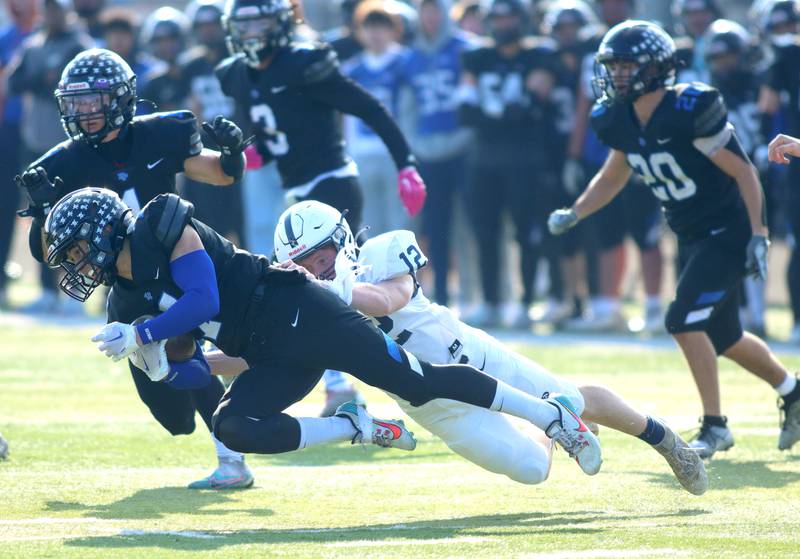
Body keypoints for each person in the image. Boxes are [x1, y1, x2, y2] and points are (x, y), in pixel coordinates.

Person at [46, 187, 603, 477]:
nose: (75, 261)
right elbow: (195, 361)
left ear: (101, 231)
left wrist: (144, 335)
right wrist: (162, 368)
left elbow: (204, 299)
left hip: (296, 310)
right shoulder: (126, 298)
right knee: (234, 425)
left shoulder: (159, 225)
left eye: (74, 248)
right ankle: (353, 426)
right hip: (264, 351)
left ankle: (547, 414)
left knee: (420, 382)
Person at [264, 200, 707, 493]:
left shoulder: (381, 255)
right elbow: (274, 353)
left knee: (567, 393)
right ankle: (550, 420)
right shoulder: (310, 301)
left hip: (469, 356)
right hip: (435, 404)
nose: (315, 272)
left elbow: (387, 300)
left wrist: (338, 288)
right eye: (303, 265)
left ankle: (658, 435)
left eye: (320, 259)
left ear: (340, 242)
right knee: (532, 471)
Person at [548, 20, 800, 458]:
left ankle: (716, 426)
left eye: (626, 66)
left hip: (727, 230)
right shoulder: (619, 118)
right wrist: (576, 211)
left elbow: (744, 170)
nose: (617, 75)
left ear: (655, 69)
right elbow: (613, 176)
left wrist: (759, 234)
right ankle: (794, 393)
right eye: (614, 66)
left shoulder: (688, 108)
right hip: (691, 232)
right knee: (724, 335)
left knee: (682, 319)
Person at [17, 48, 252, 489]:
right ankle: (249, 367)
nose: (85, 111)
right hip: (126, 283)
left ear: (121, 98)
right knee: (172, 415)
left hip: (178, 263)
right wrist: (45, 204)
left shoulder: (158, 134)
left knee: (191, 348)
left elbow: (220, 174)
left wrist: (233, 154)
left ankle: (234, 457)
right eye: (77, 102)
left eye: (94, 100)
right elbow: (42, 250)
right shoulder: (63, 162)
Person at [218, 0, 427, 234]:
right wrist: (249, 152)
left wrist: (405, 164)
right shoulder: (236, 74)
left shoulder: (303, 63)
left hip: (330, 181)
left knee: (337, 264)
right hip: (294, 190)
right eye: (244, 26)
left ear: (281, 23)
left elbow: (370, 109)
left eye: (261, 24)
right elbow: (276, 137)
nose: (252, 34)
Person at [456, 0, 562, 329]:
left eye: (509, 17)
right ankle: (490, 301)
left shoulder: (540, 54)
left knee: (527, 232)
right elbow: (465, 110)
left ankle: (526, 301)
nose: (503, 24)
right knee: (485, 232)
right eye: (497, 17)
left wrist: (496, 115)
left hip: (527, 159)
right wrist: (506, 114)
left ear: (522, 19)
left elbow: (533, 103)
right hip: (486, 159)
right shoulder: (477, 56)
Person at [7, 0, 93, 314]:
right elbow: (14, 83)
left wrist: (47, 82)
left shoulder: (78, 46)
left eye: (57, 9)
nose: (52, 15)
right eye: (49, 9)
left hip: (69, 146)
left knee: (76, 219)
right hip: (36, 143)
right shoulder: (33, 46)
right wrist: (42, 80)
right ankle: (46, 288)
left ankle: (74, 290)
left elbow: (76, 88)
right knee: (43, 218)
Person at [404, 0, 475, 307]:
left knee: (472, 225)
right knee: (435, 229)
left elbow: (475, 100)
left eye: (436, 9)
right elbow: (406, 108)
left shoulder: (468, 49)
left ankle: (479, 296)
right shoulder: (409, 57)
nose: (431, 16)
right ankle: (443, 295)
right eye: (426, 9)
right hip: (428, 153)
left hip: (465, 149)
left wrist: (463, 137)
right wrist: (418, 146)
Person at [342, 1, 411, 236]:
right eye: (370, 27)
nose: (375, 34)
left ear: (394, 30)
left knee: (400, 223)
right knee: (370, 226)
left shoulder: (405, 62)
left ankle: (405, 274)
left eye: (382, 27)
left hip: (395, 155)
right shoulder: (352, 68)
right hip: (363, 153)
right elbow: (346, 117)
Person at [0, 0, 38, 310]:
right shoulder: (5, 40)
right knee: (5, 207)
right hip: (9, 135)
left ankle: (54, 289)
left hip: (42, 136)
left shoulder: (48, 38)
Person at [139, 7, 191, 113]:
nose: (166, 45)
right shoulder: (152, 84)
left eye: (172, 39)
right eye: (160, 41)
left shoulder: (196, 71)